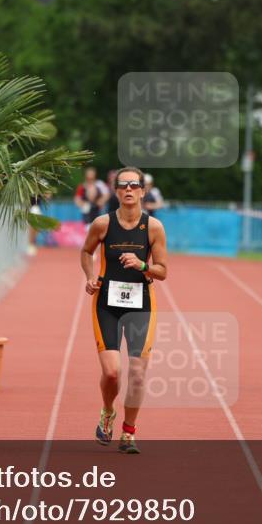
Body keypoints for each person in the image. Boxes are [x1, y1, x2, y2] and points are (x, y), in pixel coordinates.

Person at [80, 167, 168, 454]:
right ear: (115, 191)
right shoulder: (102, 224)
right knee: (112, 373)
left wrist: (142, 265)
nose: (128, 189)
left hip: (141, 305)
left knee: (138, 374)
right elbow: (86, 251)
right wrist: (90, 277)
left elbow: (162, 271)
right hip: (106, 304)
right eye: (123, 185)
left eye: (134, 185)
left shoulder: (153, 227)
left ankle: (128, 432)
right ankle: (108, 411)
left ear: (143, 191)